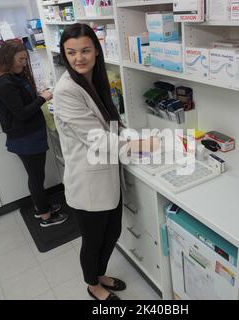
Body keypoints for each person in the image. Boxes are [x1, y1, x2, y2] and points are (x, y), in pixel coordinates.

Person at [53, 24, 159, 300]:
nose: (79, 58)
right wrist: (140, 144)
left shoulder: (93, 80)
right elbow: (98, 140)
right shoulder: (66, 90)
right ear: (64, 54)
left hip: (106, 174)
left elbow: (110, 124)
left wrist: (133, 137)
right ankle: (93, 284)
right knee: (93, 239)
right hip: (88, 180)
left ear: (96, 52)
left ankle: (100, 274)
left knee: (111, 233)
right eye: (71, 52)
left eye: (85, 50)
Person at [0, 39, 68, 227]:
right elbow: (22, 113)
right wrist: (43, 98)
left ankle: (42, 207)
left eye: (25, 59)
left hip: (31, 135)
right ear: (8, 59)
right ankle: (45, 216)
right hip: (25, 138)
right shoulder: (3, 83)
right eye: (21, 60)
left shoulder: (13, 77)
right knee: (36, 177)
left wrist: (38, 94)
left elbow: (22, 101)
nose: (24, 63)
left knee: (36, 176)